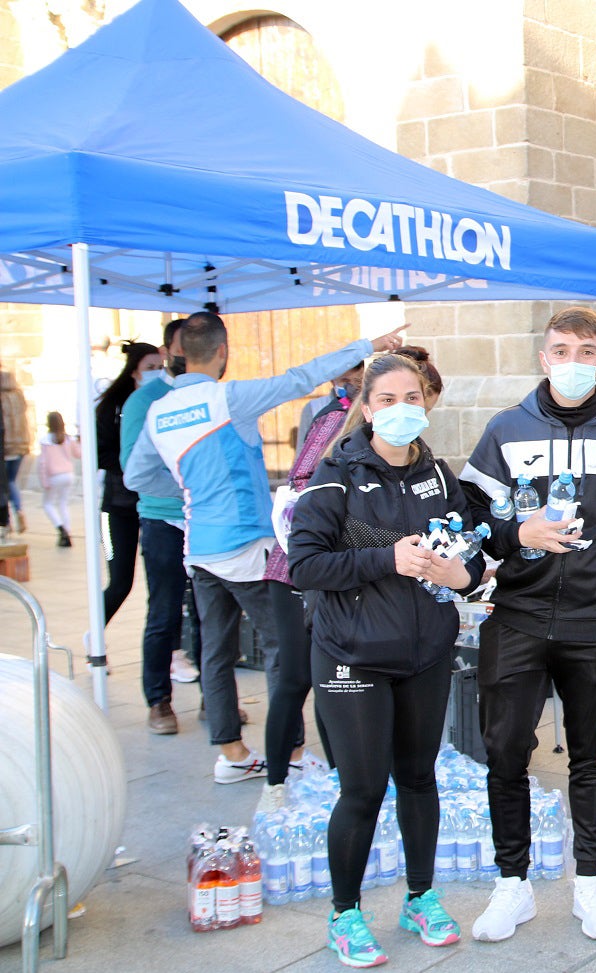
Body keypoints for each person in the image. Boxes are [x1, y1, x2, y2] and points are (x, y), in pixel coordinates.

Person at [124, 311, 404, 783]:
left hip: (199, 546)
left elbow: (137, 477)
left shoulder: (158, 410)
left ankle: (231, 752)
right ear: (222, 351)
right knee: (284, 653)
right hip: (247, 546)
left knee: (215, 652)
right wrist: (366, 346)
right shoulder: (227, 398)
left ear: (178, 353)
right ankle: (290, 754)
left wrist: (193, 490)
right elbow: (300, 378)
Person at [459, 307, 596, 943]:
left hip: (593, 617)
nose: (573, 362)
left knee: (590, 752)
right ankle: (511, 884)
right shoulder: (505, 428)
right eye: (561, 350)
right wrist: (516, 533)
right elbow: (471, 520)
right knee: (504, 751)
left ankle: (589, 881)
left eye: (586, 352)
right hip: (517, 614)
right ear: (543, 358)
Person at [289, 351, 484, 969]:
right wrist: (386, 559)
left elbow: (470, 548)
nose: (403, 409)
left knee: (420, 778)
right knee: (363, 788)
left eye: (413, 398)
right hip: (352, 656)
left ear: (427, 403)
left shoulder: (439, 474)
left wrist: (465, 574)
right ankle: (344, 914)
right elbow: (304, 566)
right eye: (389, 400)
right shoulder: (335, 475)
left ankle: (420, 897)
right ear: (368, 410)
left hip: (424, 653)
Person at [254, 358, 367, 811]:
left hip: (331, 571)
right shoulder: (336, 422)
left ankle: (342, 784)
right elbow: (303, 485)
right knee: (298, 678)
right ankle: (276, 785)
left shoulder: (382, 438)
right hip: (300, 567)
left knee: (329, 679)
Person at [120, 321, 202, 735]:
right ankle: (158, 701)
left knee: (209, 612)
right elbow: (134, 468)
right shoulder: (144, 400)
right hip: (162, 518)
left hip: (203, 518)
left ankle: (215, 700)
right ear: (170, 350)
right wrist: (191, 485)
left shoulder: (209, 395)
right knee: (164, 611)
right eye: (183, 346)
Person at [96, 341, 164, 621]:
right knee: (120, 583)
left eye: (160, 367)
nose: (156, 372)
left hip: (154, 508)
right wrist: (133, 468)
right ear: (134, 371)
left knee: (161, 585)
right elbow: (100, 453)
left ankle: (165, 644)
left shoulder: (162, 402)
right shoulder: (112, 406)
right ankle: (94, 635)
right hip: (117, 507)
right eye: (150, 367)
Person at [39, 411, 82, 546]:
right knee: (63, 504)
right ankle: (67, 532)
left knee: (48, 504)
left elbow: (43, 462)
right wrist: (79, 442)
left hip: (53, 476)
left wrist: (44, 479)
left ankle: (61, 528)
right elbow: (78, 454)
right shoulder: (68, 439)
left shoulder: (46, 440)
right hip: (68, 474)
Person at [1, 371, 32, 533]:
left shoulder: (2, 397)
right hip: (21, 445)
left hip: (6, 447)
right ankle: (17, 511)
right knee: (11, 480)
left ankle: (6, 521)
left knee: (5, 484)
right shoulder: (19, 395)